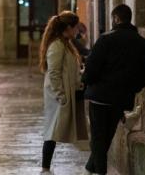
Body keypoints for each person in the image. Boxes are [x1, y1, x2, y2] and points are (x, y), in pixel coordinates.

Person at [82, 5, 145, 175]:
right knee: (107, 137)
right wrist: (131, 89)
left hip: (100, 97)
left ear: (116, 18)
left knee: (98, 138)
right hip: (121, 98)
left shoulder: (106, 39)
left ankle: (100, 172)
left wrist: (87, 82)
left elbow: (91, 68)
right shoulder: (141, 43)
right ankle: (90, 169)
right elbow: (143, 74)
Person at [40, 11, 85, 174]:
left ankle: (45, 167)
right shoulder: (57, 45)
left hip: (64, 92)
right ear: (68, 27)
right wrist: (61, 96)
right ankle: (45, 168)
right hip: (58, 96)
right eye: (75, 28)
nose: (77, 31)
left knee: (54, 130)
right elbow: (54, 73)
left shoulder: (65, 43)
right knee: (52, 131)